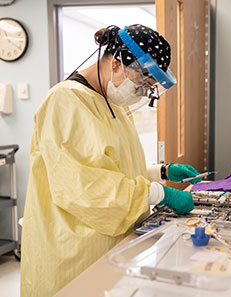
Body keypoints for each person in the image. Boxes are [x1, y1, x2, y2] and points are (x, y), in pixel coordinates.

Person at [20, 24, 201, 297]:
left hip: (111, 243)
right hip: (73, 249)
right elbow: (83, 186)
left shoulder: (112, 101)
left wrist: (160, 172)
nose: (141, 92)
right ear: (116, 63)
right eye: (142, 83)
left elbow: (112, 166)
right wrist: (159, 193)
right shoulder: (65, 101)